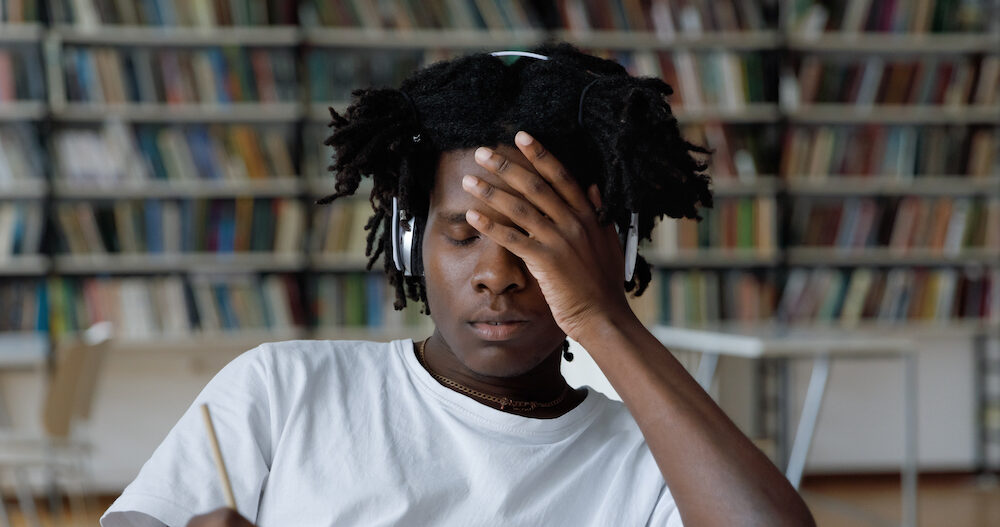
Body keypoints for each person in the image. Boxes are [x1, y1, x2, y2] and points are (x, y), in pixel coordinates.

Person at [101, 43, 814, 526]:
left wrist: (605, 318)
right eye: (465, 234)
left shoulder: (655, 463)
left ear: (610, 248)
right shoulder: (284, 389)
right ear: (410, 237)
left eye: (536, 240)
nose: (498, 275)